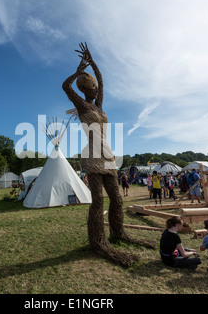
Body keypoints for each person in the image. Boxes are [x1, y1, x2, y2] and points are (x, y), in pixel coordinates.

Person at [62, 42, 155, 267]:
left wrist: (93, 63)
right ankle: (98, 242)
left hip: (107, 153)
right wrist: (78, 71)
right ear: (86, 90)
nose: (96, 90)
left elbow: (102, 82)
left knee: (117, 198)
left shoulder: (99, 107)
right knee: (98, 200)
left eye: (95, 88)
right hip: (92, 153)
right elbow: (65, 86)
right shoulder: (83, 106)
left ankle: (119, 233)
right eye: (92, 88)